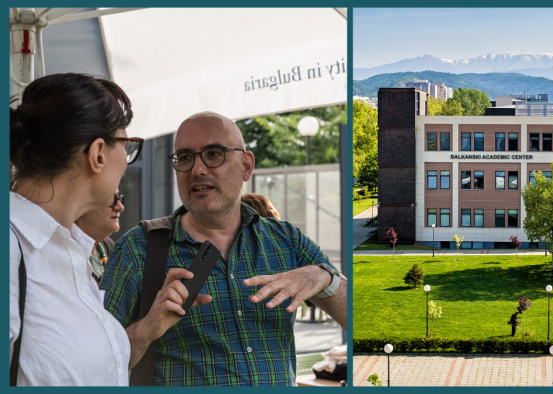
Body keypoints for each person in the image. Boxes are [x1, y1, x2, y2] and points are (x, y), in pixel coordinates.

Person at [101, 111, 347, 386]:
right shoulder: (139, 249)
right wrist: (147, 329)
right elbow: (95, 364)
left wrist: (323, 277)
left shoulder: (286, 240)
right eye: (184, 157)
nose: (197, 169)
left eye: (214, 154)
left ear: (246, 166)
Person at [9, 73, 210, 386]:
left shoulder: (69, 249)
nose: (126, 161)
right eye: (126, 146)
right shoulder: (12, 251)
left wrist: (147, 328)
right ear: (98, 154)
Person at [75, 190, 125, 284]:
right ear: (82, 205)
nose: (120, 207)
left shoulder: (110, 248)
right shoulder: (62, 252)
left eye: (118, 198)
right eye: (111, 199)